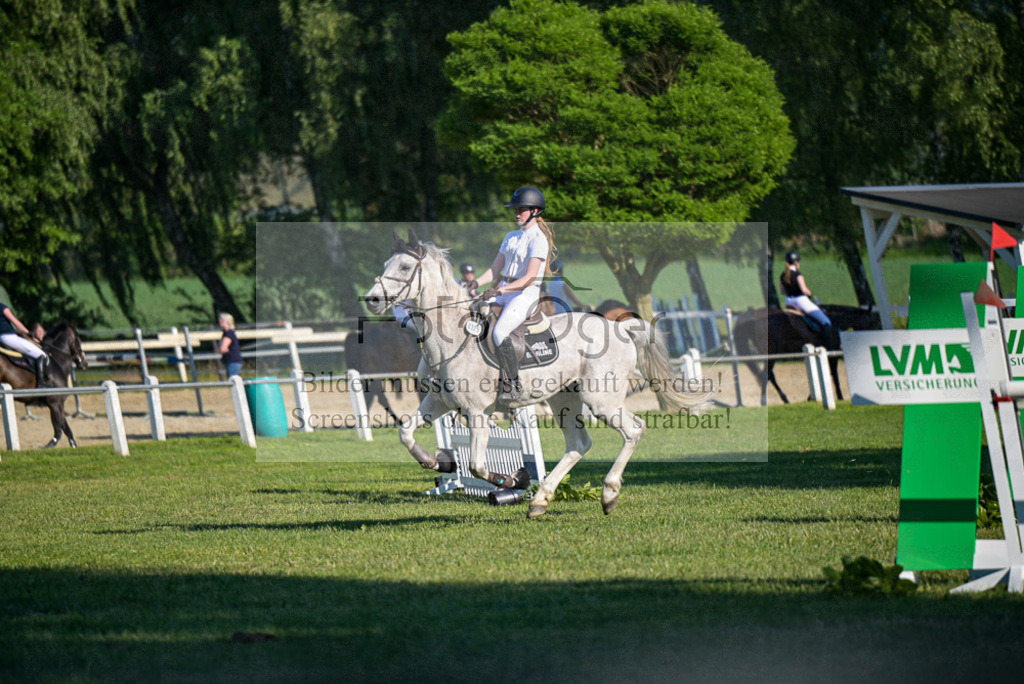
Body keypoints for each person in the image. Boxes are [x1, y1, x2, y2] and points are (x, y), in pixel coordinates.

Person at [466, 186, 555, 402]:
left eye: (521, 210)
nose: (516, 213)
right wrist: (476, 282)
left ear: (535, 211)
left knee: (499, 333)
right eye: (515, 209)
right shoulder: (511, 236)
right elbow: (495, 270)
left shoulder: (538, 240)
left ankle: (513, 385)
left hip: (525, 294)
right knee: (471, 319)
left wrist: (499, 290)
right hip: (504, 290)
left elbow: (530, 277)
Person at [780, 251, 833, 340]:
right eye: (798, 262)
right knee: (826, 322)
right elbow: (804, 290)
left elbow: (782, 291)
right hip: (801, 301)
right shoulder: (798, 275)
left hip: (788, 301)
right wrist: (810, 293)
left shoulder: (783, 275)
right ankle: (830, 348)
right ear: (796, 262)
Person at [0, 302, 51, 385]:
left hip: (2, 338)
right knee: (42, 355)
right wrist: (28, 333)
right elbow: (16, 323)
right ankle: (42, 383)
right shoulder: (2, 307)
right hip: (9, 337)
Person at [217, 313, 243, 378]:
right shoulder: (227, 333)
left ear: (227, 322)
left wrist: (221, 349)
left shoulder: (229, 334)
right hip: (232, 361)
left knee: (233, 381)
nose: (219, 321)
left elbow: (222, 348)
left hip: (232, 361)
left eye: (222, 320)